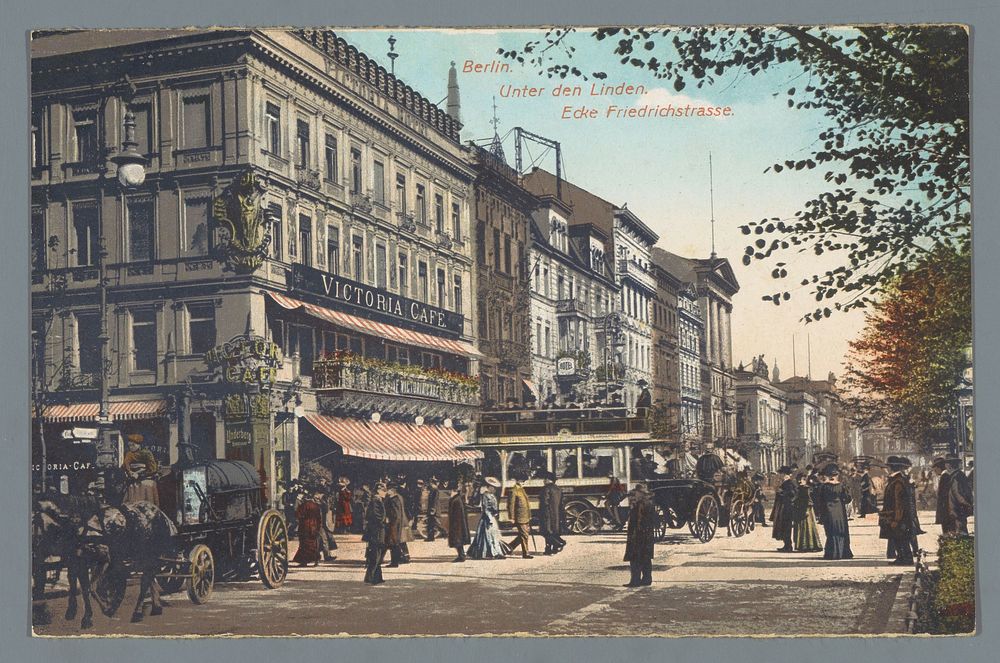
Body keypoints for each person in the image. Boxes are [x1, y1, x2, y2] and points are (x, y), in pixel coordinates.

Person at [880, 456, 914, 565]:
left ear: (891, 468)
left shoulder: (897, 482)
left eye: (888, 467)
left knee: (901, 538)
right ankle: (901, 557)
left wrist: (896, 519)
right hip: (895, 515)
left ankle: (906, 559)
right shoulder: (896, 480)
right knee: (897, 537)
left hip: (897, 516)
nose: (886, 469)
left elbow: (899, 502)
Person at [817, 464, 853, 560]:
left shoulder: (824, 487)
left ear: (828, 475)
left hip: (828, 512)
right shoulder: (841, 486)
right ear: (837, 475)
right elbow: (848, 499)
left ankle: (832, 553)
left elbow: (820, 501)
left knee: (830, 532)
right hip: (840, 512)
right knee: (841, 531)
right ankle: (843, 553)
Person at [623, 482, 656, 587]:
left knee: (635, 557)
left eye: (636, 493)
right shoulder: (649, 503)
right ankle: (647, 579)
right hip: (647, 534)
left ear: (640, 493)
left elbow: (638, 521)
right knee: (645, 557)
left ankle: (635, 580)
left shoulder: (640, 505)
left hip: (638, 534)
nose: (635, 495)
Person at [467, 478, 506, 559]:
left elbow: (494, 507)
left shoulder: (492, 495)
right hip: (487, 518)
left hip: (492, 516)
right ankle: (488, 553)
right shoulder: (485, 495)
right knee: (487, 536)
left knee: (494, 535)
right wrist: (489, 518)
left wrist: (495, 513)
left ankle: (495, 552)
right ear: (490, 487)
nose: (495, 489)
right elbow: (485, 508)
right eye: (493, 487)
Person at [122, 434, 160, 505]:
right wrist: (130, 473)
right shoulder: (129, 454)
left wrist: (139, 474)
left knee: (147, 502)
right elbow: (125, 465)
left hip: (145, 480)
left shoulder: (146, 453)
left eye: (133, 445)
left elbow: (153, 469)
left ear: (139, 445)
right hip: (133, 481)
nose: (131, 447)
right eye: (129, 445)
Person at [362, 482, 387, 585]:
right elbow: (377, 516)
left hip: (377, 530)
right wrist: (384, 521)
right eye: (384, 491)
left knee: (378, 554)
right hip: (376, 531)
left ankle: (377, 577)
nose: (385, 493)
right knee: (376, 554)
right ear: (378, 490)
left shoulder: (377, 500)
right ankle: (370, 578)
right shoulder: (376, 501)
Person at [292, 488, 323, 566]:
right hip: (314, 526)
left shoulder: (305, 504)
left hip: (305, 525)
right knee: (313, 543)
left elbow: (299, 514)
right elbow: (319, 517)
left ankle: (304, 561)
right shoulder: (316, 505)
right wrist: (318, 526)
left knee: (304, 543)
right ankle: (316, 560)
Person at [792, 472, 822, 552]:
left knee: (807, 527)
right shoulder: (799, 488)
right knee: (801, 528)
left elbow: (809, 501)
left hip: (806, 510)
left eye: (801, 480)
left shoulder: (806, 489)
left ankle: (809, 545)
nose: (799, 481)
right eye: (798, 480)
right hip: (799, 509)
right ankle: (802, 546)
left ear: (805, 480)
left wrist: (806, 510)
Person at [505, 474, 533, 559]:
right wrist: (511, 517)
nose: (524, 483)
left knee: (523, 534)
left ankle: (509, 548)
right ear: (519, 481)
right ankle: (526, 553)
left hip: (525, 516)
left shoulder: (521, 489)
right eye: (523, 482)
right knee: (524, 535)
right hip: (519, 516)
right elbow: (511, 505)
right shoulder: (514, 490)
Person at [384, 483, 412, 566]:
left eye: (388, 489)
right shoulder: (399, 497)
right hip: (401, 522)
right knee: (400, 541)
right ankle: (404, 557)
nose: (386, 491)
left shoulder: (394, 499)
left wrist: (391, 522)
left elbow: (396, 514)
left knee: (395, 541)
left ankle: (397, 560)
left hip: (396, 524)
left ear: (392, 490)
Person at [538, 471, 566, 555]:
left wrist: (540, 513)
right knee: (554, 532)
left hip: (547, 514)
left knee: (546, 532)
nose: (543, 481)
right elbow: (561, 504)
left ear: (548, 479)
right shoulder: (558, 489)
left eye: (544, 479)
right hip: (556, 514)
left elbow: (544, 502)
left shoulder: (545, 489)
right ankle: (553, 549)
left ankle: (556, 544)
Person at [945, 454, 974, 534]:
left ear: (950, 466)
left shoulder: (957, 477)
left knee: (960, 529)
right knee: (960, 528)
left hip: (957, 507)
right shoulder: (958, 475)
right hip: (957, 507)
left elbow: (958, 493)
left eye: (947, 465)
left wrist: (966, 503)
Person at [770, 466, 796, 552]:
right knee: (784, 526)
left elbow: (792, 494)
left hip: (787, 508)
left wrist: (782, 493)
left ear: (785, 474)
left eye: (782, 474)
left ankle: (788, 546)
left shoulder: (789, 483)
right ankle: (786, 545)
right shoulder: (786, 482)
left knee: (786, 527)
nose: (780, 475)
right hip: (784, 507)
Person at [447, 482, 471, 562]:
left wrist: (454, 525)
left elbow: (457, 515)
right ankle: (461, 555)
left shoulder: (456, 500)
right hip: (458, 525)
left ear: (454, 491)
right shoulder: (457, 499)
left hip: (457, 525)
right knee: (458, 541)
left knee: (457, 540)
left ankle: (461, 556)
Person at [317, 484, 338, 562]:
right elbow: (326, 509)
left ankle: (322, 555)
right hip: (320, 522)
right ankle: (326, 556)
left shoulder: (324, 498)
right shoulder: (321, 498)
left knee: (324, 539)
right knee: (323, 539)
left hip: (323, 522)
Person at [932, 456, 953, 534]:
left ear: (938, 468)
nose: (934, 471)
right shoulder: (946, 475)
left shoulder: (944, 476)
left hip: (945, 508)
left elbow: (942, 494)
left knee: (946, 529)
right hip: (946, 508)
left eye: (935, 469)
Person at [424, 476, 444, 542]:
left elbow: (435, 500)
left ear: (432, 483)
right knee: (432, 523)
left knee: (432, 523)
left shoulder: (434, 490)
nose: (429, 484)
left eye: (430, 483)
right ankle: (431, 537)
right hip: (432, 509)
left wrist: (433, 509)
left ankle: (432, 537)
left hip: (433, 509)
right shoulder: (434, 489)